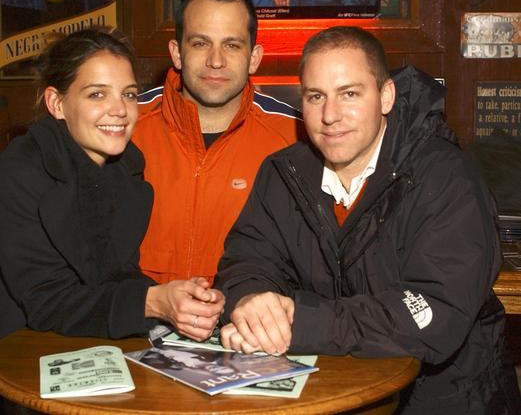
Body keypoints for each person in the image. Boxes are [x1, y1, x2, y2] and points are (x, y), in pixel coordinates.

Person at [0, 29, 221, 414]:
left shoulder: (127, 173)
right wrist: (153, 301)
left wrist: (181, 300)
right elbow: (48, 298)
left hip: (31, 356)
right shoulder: (22, 167)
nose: (120, 109)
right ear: (57, 103)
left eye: (128, 93)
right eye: (96, 94)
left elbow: (109, 275)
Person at [0, 0, 301, 337]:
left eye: (232, 45)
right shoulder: (122, 122)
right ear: (176, 53)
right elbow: (37, 183)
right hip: (123, 331)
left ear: (254, 57)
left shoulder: (296, 135)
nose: (216, 60)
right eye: (200, 42)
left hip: (242, 337)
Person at [216, 26, 521, 413]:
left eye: (349, 94)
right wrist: (253, 301)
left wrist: (301, 322)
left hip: (448, 398)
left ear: (386, 96)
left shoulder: (447, 177)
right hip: (331, 393)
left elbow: (433, 313)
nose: (330, 115)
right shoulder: (282, 173)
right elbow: (247, 260)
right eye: (315, 96)